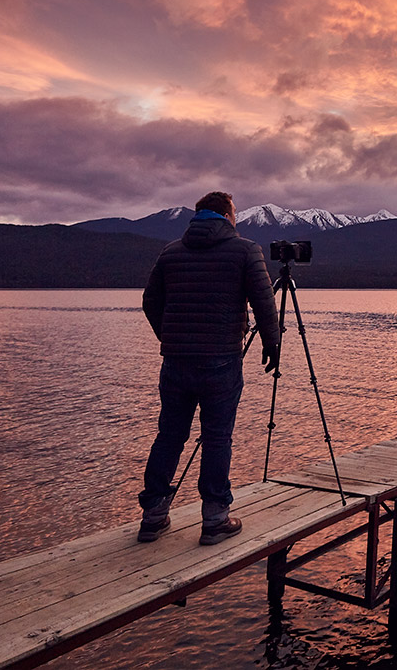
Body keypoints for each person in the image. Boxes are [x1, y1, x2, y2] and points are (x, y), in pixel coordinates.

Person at [137, 191, 281, 545]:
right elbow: (265, 303)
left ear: (198, 215)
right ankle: (215, 519)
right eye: (235, 214)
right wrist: (272, 345)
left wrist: (170, 337)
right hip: (221, 360)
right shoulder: (246, 250)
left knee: (169, 436)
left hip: (175, 362)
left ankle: (153, 517)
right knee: (217, 438)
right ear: (227, 216)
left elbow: (150, 302)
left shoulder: (171, 252)